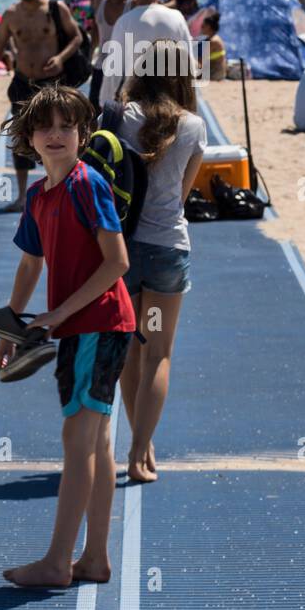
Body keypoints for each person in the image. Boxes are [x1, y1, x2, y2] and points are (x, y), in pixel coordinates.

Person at [0, 85, 136, 587]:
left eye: (67, 126)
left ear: (84, 135)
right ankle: (94, 559)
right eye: (46, 127)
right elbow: (29, 263)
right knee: (97, 442)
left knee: (76, 440)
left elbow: (118, 262)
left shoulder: (88, 185)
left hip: (100, 325)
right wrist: (10, 326)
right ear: (29, 138)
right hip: (81, 328)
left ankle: (58, 562)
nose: (56, 134)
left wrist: (59, 312)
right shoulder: (39, 196)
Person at [113, 40, 206, 482]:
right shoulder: (194, 126)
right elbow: (182, 198)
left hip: (122, 251)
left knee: (131, 352)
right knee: (159, 354)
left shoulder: (118, 117)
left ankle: (140, 443)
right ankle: (138, 451)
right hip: (167, 247)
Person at [0, 0, 82, 210]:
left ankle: (60, 190)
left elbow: (77, 37)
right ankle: (22, 197)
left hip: (51, 86)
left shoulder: (56, 8)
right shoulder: (11, 14)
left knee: (55, 137)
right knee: (21, 138)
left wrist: (60, 58)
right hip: (23, 83)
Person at [99, 0, 195, 107]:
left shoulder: (125, 21)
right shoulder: (176, 18)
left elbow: (114, 68)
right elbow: (189, 63)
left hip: (135, 100)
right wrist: (192, 105)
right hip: (172, 100)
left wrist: (104, 101)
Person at [88, 0, 133, 108]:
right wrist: (89, 55)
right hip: (100, 67)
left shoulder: (132, 4)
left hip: (124, 72)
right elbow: (95, 28)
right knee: (93, 115)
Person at [200, 9, 226, 80]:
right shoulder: (213, 38)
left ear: (209, 27)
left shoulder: (213, 41)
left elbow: (201, 62)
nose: (201, 27)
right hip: (215, 73)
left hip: (215, 75)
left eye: (203, 26)